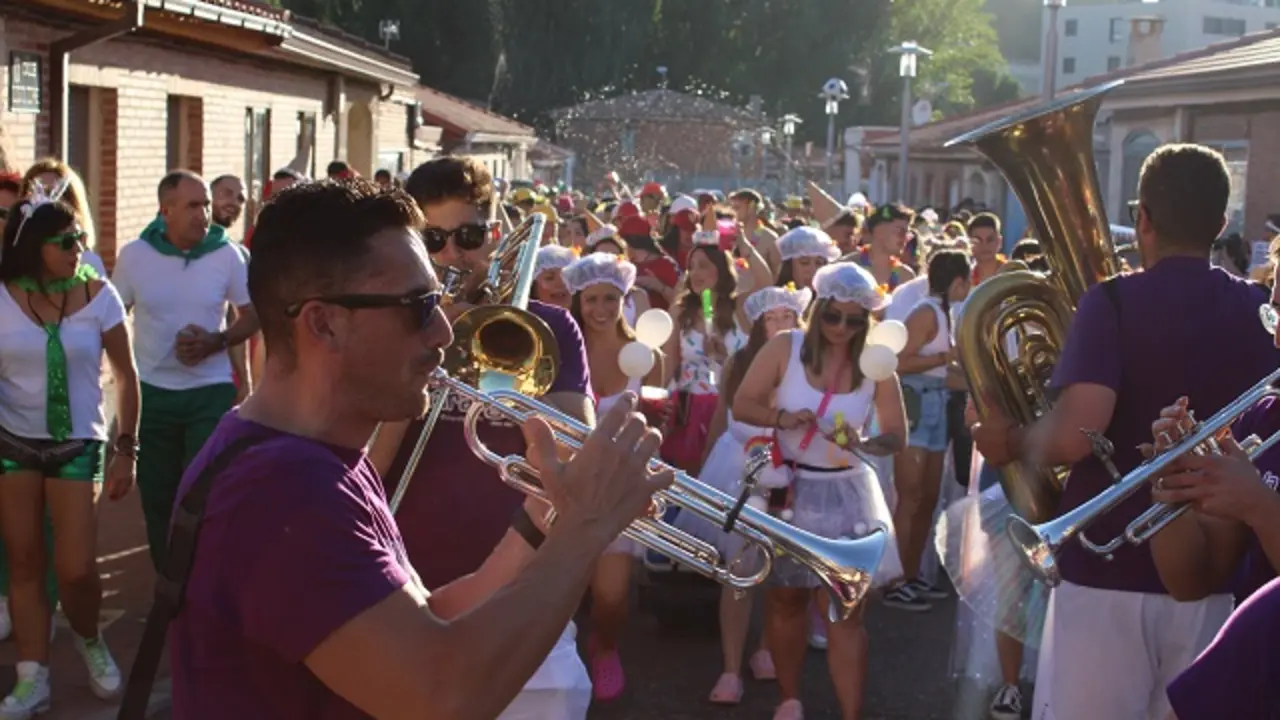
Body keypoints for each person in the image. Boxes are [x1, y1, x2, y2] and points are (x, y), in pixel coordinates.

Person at [168, 178, 672, 717]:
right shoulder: (283, 489)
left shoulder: (316, 459)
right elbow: (441, 698)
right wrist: (585, 531)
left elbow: (428, 617)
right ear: (324, 323)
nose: (444, 332)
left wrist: (545, 516)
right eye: (419, 305)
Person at [972, 143, 1280, 720]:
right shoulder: (1260, 308)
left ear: (1142, 218)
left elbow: (1076, 436)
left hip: (1105, 565)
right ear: (1221, 223)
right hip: (1220, 585)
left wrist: (1009, 440)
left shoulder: (1112, 301)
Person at [369, 158, 596, 718]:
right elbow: (366, 466)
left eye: (469, 235)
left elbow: (577, 451)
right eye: (435, 239)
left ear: (494, 236)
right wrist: (423, 351)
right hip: (406, 593)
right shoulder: (389, 333)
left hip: (525, 594)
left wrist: (510, 369)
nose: (453, 255)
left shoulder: (550, 327)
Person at [733, 262, 907, 720]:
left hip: (849, 491)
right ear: (819, 310)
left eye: (854, 320)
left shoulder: (875, 362)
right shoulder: (784, 348)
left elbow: (896, 435)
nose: (842, 329)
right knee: (786, 599)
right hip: (789, 488)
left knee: (847, 612)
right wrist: (782, 419)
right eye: (833, 317)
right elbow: (742, 402)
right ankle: (791, 700)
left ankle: (851, 714)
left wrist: (865, 441)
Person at [0, 194, 138, 715]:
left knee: (77, 568)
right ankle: (32, 676)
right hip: (12, 444)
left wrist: (128, 448)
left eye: (81, 237)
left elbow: (126, 376)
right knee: (25, 560)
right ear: (36, 248)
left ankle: (88, 636)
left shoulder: (99, 296)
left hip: (79, 442)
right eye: (66, 241)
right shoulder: (2, 298)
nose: (79, 248)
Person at [111, 171, 259, 569]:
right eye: (193, 206)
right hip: (151, 395)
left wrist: (217, 340)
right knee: (158, 497)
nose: (204, 214)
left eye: (206, 204)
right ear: (166, 210)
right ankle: (168, 582)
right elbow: (111, 317)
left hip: (208, 394)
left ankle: (203, 580)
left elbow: (252, 315)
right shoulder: (135, 255)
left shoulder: (226, 255)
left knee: (203, 493)